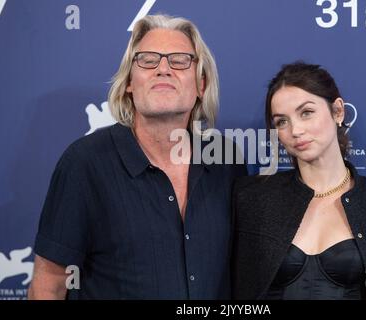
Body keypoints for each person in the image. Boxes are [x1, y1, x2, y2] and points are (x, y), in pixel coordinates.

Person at [28, 14, 246, 299]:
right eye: (148, 60)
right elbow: (49, 285)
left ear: (201, 85)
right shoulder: (85, 163)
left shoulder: (226, 160)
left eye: (180, 60)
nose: (163, 69)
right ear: (130, 82)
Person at [231, 61, 366, 300]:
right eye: (282, 121)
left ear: (338, 111)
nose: (296, 130)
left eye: (306, 113)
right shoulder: (251, 198)